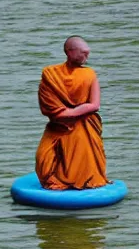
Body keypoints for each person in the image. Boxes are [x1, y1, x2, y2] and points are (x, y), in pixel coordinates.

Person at [35, 36, 109, 190]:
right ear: (69, 52)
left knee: (85, 162)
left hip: (83, 123)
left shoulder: (89, 74)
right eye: (83, 53)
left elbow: (95, 105)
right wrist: (62, 115)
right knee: (43, 160)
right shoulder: (51, 74)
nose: (87, 57)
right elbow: (49, 107)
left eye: (88, 53)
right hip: (58, 125)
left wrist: (71, 113)